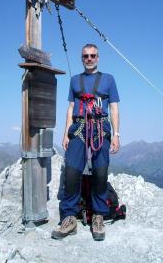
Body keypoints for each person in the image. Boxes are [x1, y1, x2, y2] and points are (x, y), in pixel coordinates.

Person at [52, 43, 120, 241]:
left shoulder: (108, 80)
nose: (89, 59)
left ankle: (99, 215)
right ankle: (69, 218)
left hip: (100, 128)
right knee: (72, 171)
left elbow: (114, 108)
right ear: (82, 58)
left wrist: (117, 134)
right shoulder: (75, 81)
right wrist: (65, 133)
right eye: (86, 56)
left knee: (100, 170)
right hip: (79, 128)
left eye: (93, 56)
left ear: (98, 58)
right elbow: (71, 107)